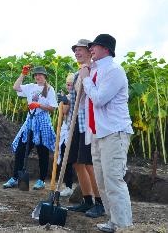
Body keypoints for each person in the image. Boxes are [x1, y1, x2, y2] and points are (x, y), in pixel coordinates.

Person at [80, 34, 134, 232]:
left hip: (114, 132)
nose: (91, 48)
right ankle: (113, 221)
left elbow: (100, 99)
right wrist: (85, 72)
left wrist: (86, 79)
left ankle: (124, 226)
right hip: (98, 133)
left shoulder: (114, 70)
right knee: (102, 181)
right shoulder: (95, 69)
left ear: (106, 49)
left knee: (113, 180)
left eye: (95, 46)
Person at [65, 39, 104, 218]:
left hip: (87, 124)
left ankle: (99, 202)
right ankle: (87, 200)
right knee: (77, 163)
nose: (77, 53)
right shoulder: (77, 72)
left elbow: (91, 94)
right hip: (74, 123)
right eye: (75, 51)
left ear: (90, 51)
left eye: (80, 50)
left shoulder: (93, 70)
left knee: (89, 164)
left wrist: (84, 75)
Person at [3, 66, 58, 190]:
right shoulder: (30, 87)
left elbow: (53, 108)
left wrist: (39, 105)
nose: (38, 77)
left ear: (45, 76)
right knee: (21, 150)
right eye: (36, 75)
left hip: (42, 121)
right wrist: (23, 73)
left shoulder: (49, 89)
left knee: (42, 152)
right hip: (30, 121)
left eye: (40, 75)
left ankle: (42, 180)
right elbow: (16, 87)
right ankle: (15, 177)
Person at [56, 73, 75, 197]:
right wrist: (63, 101)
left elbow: (68, 110)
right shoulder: (68, 96)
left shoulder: (77, 96)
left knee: (70, 160)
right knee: (64, 157)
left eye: (71, 84)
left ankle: (69, 186)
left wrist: (66, 101)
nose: (69, 87)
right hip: (65, 130)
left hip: (73, 131)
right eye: (67, 84)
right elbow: (63, 113)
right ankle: (67, 186)